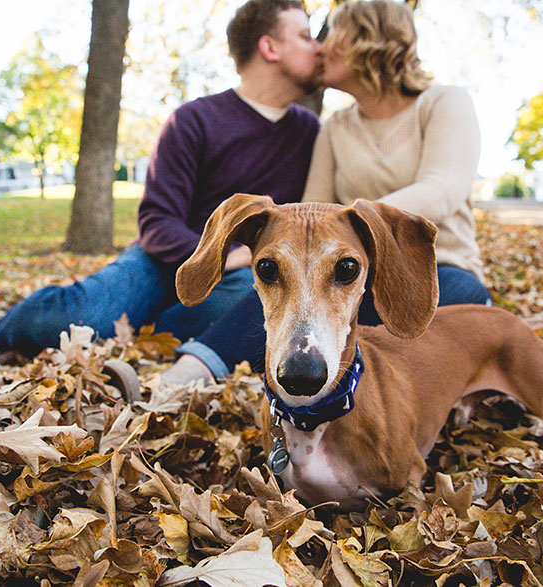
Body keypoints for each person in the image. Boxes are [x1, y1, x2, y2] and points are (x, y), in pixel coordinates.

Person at [0, 0, 323, 378]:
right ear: (269, 47)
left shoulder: (312, 134)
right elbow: (156, 224)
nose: (318, 48)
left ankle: (142, 327)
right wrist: (226, 255)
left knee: (248, 312)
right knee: (74, 321)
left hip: (248, 279)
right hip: (160, 264)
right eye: (306, 36)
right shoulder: (195, 120)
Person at [166, 0, 492, 385]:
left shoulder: (443, 102)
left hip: (435, 268)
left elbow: (441, 190)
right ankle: (199, 366)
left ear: (371, 39)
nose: (320, 47)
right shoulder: (335, 126)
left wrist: (356, 224)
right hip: (342, 270)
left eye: (333, 33)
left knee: (459, 291)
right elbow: (311, 208)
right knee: (293, 289)